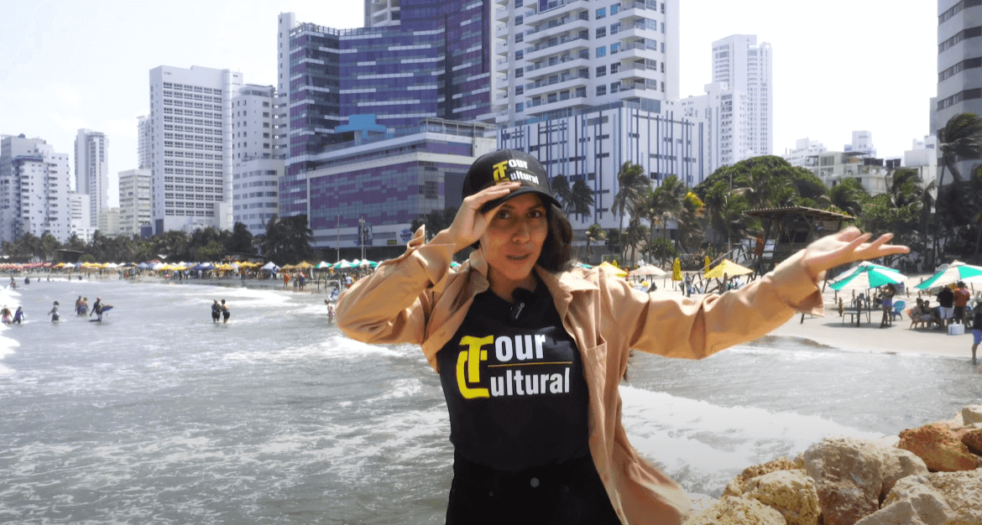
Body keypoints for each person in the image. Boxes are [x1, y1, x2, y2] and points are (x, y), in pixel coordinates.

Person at [334, 149, 908, 525]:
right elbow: (356, 318)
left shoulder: (596, 296)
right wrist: (441, 247)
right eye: (500, 216)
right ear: (474, 224)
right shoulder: (443, 301)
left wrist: (795, 275)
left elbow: (703, 325)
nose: (520, 232)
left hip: (581, 505)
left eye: (534, 215)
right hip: (480, 508)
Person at [971, 300, 981, 364]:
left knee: (976, 343)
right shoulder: (978, 313)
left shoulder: (977, 312)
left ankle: (974, 357)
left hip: (977, 329)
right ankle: (974, 357)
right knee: (976, 344)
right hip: (977, 330)